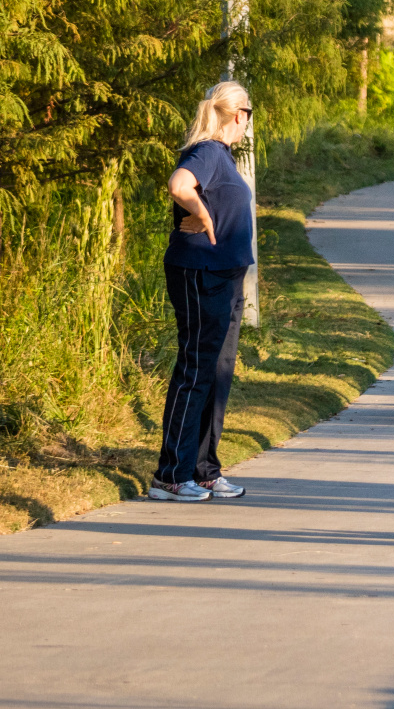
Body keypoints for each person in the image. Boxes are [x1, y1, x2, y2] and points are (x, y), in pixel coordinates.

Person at [151, 81, 257, 501]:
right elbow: (180, 185)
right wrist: (201, 214)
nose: (249, 121)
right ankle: (170, 475)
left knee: (218, 372)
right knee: (196, 370)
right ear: (239, 115)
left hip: (226, 276)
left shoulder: (223, 158)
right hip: (200, 273)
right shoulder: (209, 151)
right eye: (249, 113)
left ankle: (204, 470)